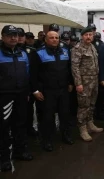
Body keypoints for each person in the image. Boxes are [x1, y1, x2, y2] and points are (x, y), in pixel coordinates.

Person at [30, 31, 74, 151]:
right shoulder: (38, 53)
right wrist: (35, 90)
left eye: (56, 38)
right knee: (47, 118)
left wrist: (70, 82)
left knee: (65, 115)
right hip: (47, 91)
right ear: (46, 40)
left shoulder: (65, 51)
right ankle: (47, 141)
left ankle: (66, 136)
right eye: (51, 38)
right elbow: (32, 74)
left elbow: (69, 69)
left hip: (63, 89)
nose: (54, 40)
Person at [0, 25, 33, 172]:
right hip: (4, 96)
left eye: (15, 35)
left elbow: (27, 73)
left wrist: (26, 92)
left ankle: (20, 151)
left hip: (21, 94)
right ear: (3, 37)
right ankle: (5, 158)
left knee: (20, 124)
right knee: (3, 127)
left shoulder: (22, 53)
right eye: (9, 35)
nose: (13, 37)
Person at [71, 26, 103, 142]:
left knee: (92, 104)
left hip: (94, 81)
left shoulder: (92, 47)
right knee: (83, 106)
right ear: (82, 36)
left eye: (90, 35)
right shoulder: (78, 48)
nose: (88, 37)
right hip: (84, 83)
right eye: (86, 35)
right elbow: (75, 67)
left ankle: (90, 123)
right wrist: (78, 83)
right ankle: (82, 128)